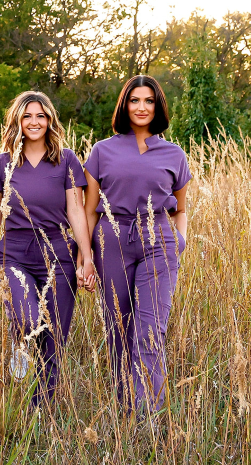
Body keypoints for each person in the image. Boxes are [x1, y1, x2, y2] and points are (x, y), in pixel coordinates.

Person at [84, 75, 191, 414]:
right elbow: (89, 209)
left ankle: (148, 415)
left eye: (149, 101)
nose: (142, 107)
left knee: (150, 330)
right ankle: (125, 409)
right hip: (112, 239)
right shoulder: (102, 151)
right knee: (118, 327)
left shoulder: (174, 154)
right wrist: (86, 257)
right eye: (134, 100)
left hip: (159, 241)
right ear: (124, 106)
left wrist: (179, 241)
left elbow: (181, 209)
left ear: (158, 106)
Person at [0, 91, 94, 406]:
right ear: (17, 121)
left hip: (58, 252)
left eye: (41, 116)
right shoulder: (3, 163)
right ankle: (20, 340)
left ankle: (40, 410)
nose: (34, 122)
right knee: (29, 319)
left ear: (50, 121)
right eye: (27, 116)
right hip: (15, 252)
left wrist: (86, 258)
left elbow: (76, 211)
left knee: (55, 337)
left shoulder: (67, 159)